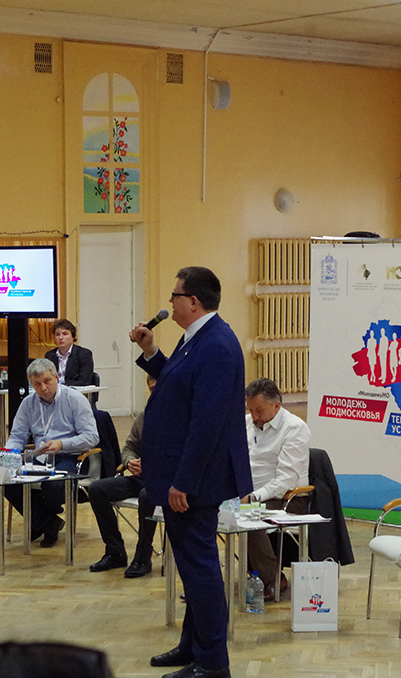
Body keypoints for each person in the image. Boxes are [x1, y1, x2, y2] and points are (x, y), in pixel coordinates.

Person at [129, 266, 251, 678]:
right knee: (192, 566)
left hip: (196, 480)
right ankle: (192, 646)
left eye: (175, 295)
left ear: (193, 302)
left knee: (200, 570)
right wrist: (150, 351)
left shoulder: (216, 345)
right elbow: (177, 386)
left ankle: (213, 663)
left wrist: (184, 480)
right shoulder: (196, 337)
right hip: (183, 474)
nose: (170, 301)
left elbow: (206, 424)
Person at [3, 358, 99, 548]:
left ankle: (41, 521)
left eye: (47, 381)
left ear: (56, 377)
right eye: (37, 384)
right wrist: (9, 455)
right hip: (41, 457)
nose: (43, 388)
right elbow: (17, 436)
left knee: (53, 486)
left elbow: (91, 437)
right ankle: (48, 522)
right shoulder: (28, 403)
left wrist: (63, 444)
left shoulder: (75, 399)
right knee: (6, 480)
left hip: (72, 456)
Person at [243, 377, 311, 601]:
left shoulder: (295, 428)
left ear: (277, 406)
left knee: (249, 518)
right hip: (249, 495)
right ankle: (206, 580)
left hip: (288, 499)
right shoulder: (246, 423)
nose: (254, 416)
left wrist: (252, 497)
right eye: (250, 410)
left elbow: (286, 480)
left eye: (259, 410)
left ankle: (273, 578)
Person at [86, 376, 159, 578]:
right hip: (142, 477)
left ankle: (143, 557)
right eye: (152, 389)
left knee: (147, 496)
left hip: (166, 481)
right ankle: (115, 551)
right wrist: (130, 461)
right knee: (97, 489)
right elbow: (129, 447)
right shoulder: (145, 415)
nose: (155, 393)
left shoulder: (183, 416)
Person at [44, 319, 94, 387]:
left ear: (73, 337)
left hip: (74, 391)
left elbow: (84, 381)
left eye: (65, 334)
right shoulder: (50, 355)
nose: (60, 337)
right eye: (57, 334)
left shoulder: (84, 354)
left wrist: (62, 386)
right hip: (53, 391)